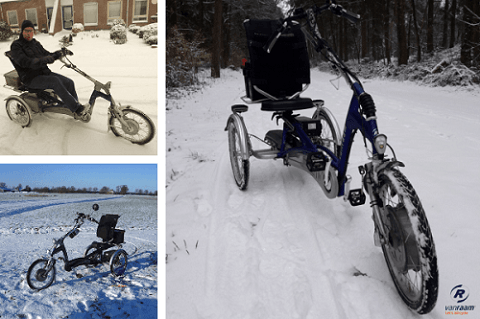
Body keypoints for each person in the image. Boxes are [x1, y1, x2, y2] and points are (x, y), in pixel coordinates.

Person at [10, 20, 85, 115]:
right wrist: (41, 60)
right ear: (22, 31)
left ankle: (74, 104)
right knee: (55, 81)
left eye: (31, 31)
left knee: (69, 82)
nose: (29, 33)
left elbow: (47, 54)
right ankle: (76, 109)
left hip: (44, 73)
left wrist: (59, 53)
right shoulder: (16, 46)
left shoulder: (35, 43)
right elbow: (24, 61)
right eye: (26, 30)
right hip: (30, 78)